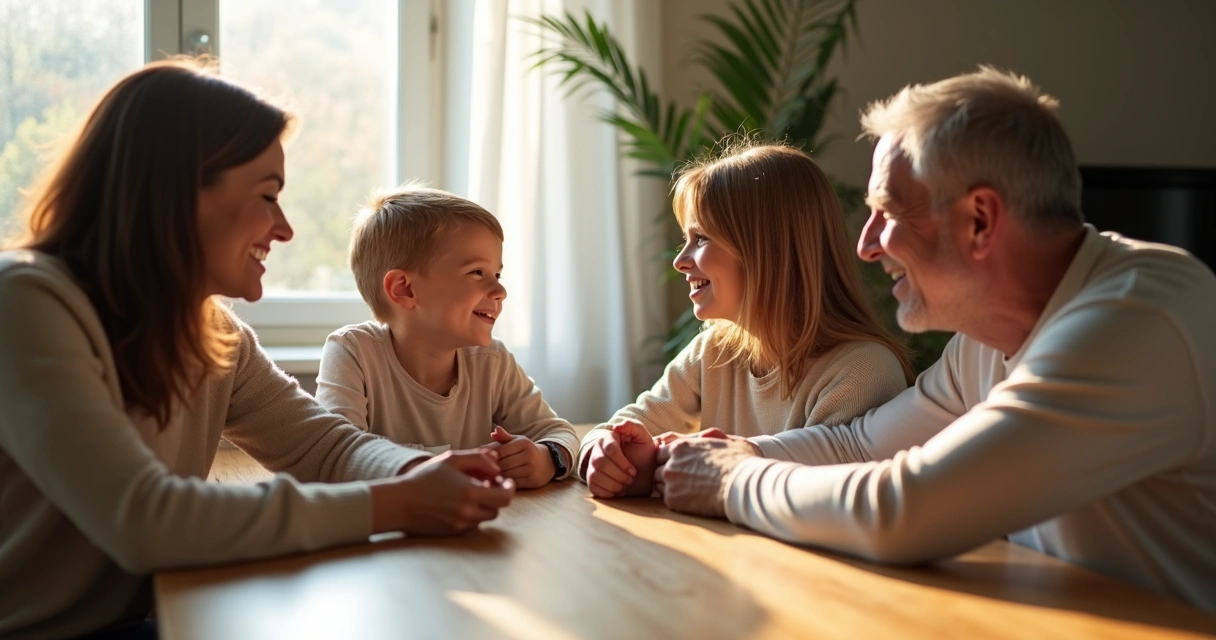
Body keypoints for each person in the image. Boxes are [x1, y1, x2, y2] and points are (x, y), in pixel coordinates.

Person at [655, 67, 1216, 612]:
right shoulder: (985, 339)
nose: (866, 245)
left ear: (980, 221)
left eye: (887, 212)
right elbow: (859, 445)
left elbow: (904, 512)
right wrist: (694, 456)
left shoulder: (1136, 321)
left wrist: (730, 478)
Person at [0, 60, 515, 639]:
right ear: (177, 192)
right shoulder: (25, 303)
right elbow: (145, 520)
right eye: (268, 195)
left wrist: (418, 470)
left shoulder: (214, 333)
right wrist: (397, 503)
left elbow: (323, 447)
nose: (285, 228)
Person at [580, 142, 913, 499]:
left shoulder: (863, 372)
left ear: (767, 250)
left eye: (700, 238)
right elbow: (622, 428)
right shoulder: (714, 349)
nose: (680, 261)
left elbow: (815, 497)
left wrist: (662, 464)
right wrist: (602, 452)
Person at [315, 187, 579, 489]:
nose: (500, 291)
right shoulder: (352, 353)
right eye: (477, 272)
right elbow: (335, 456)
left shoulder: (492, 361)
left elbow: (560, 433)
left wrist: (547, 457)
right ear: (404, 289)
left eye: (497, 275)